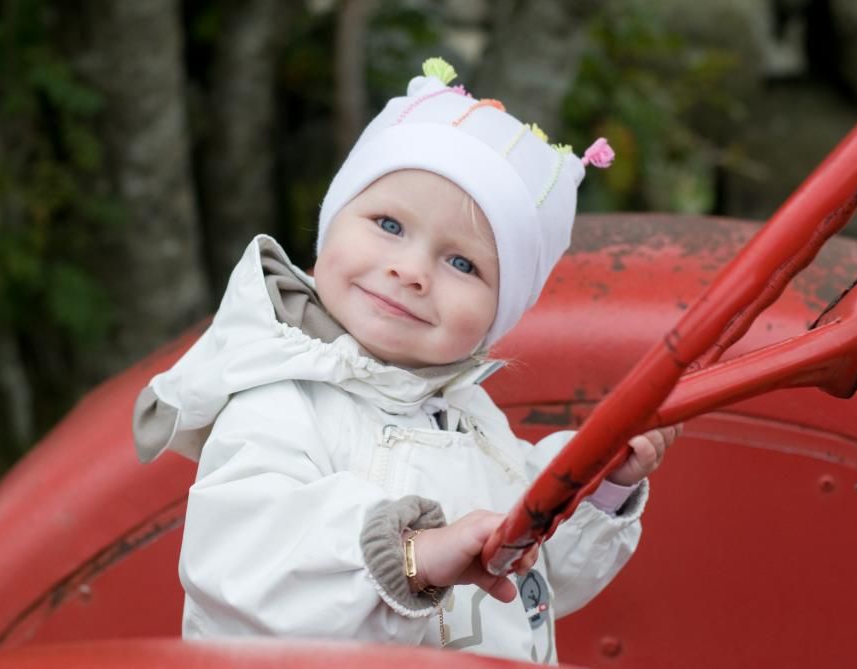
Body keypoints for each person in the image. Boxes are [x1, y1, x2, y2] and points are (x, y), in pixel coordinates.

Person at [132, 57, 680, 664]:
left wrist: (596, 484)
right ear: (332, 222)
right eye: (389, 224)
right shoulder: (280, 399)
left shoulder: (472, 422)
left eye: (462, 263)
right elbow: (244, 565)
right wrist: (409, 558)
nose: (411, 270)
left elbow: (533, 582)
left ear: (499, 315)